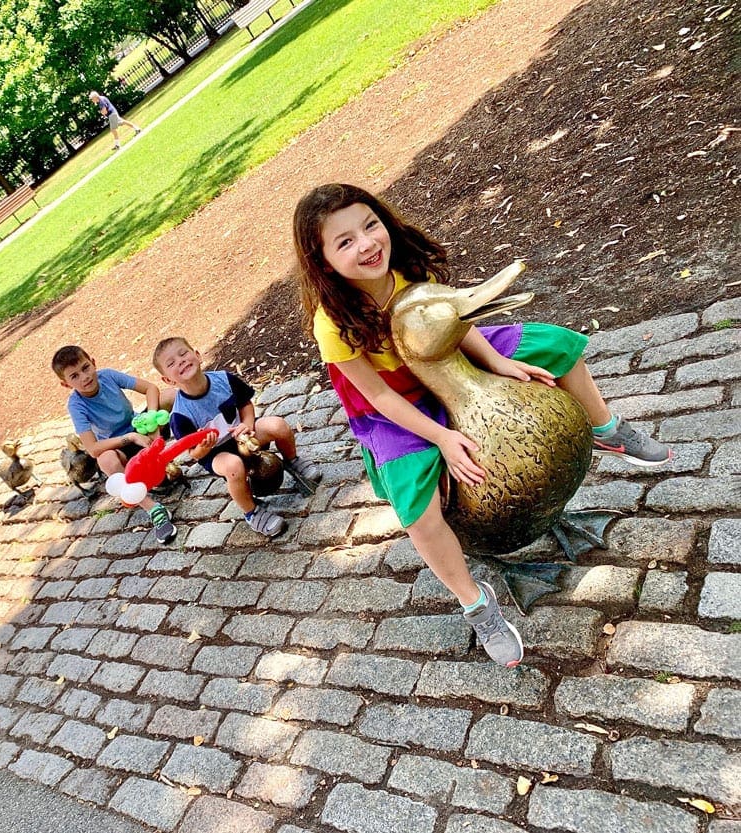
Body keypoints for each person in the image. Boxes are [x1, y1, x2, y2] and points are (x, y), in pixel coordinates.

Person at [292, 183, 671, 667]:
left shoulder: (408, 270)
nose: (366, 244)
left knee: (558, 346)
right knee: (419, 511)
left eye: (370, 225)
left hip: (447, 357)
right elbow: (380, 395)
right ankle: (475, 603)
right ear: (322, 260)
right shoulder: (334, 323)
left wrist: (498, 362)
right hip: (398, 404)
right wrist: (443, 437)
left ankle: (605, 427)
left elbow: (459, 321)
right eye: (344, 241)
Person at [152, 337, 322, 538]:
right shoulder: (180, 415)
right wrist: (204, 447)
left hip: (242, 433)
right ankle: (252, 512)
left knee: (277, 425)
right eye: (171, 363)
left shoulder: (224, 380)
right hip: (215, 454)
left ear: (197, 355)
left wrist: (247, 425)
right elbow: (193, 454)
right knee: (233, 466)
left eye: (183, 353)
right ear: (168, 380)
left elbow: (245, 405)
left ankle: (293, 462)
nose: (180, 361)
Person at [52, 345, 177, 544]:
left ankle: (203, 439)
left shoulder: (108, 376)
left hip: (141, 428)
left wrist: (151, 419)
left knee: (170, 395)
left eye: (85, 368)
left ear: (93, 363)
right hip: (119, 445)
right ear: (66, 384)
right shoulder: (76, 405)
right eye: (74, 376)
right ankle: (153, 509)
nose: (84, 377)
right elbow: (92, 448)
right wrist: (132, 438)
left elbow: (151, 389)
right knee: (105, 460)